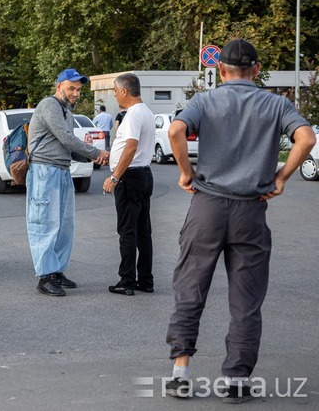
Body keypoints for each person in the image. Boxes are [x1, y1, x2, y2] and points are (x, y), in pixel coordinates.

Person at [164, 39, 316, 402]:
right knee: (246, 300)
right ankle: (236, 380)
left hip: (208, 206)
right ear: (257, 69)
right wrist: (282, 177)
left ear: (220, 70)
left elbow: (174, 131)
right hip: (250, 210)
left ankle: (181, 373)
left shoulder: (205, 101)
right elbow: (306, 138)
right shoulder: (277, 103)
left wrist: (187, 172)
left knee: (190, 287)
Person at [26, 68, 109, 297]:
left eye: (79, 90)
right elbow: (66, 138)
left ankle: (58, 271)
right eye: (71, 88)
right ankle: (45, 276)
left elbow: (67, 146)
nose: (75, 93)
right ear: (59, 86)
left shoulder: (66, 113)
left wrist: (100, 158)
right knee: (45, 224)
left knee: (64, 225)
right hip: (45, 170)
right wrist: (96, 153)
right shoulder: (49, 105)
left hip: (62, 170)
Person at [103, 73, 155, 297]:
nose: (115, 97)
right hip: (143, 175)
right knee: (143, 231)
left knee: (127, 231)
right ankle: (145, 280)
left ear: (125, 91)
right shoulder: (146, 111)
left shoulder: (133, 114)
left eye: (115, 92)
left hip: (130, 178)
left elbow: (131, 147)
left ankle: (127, 281)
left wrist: (114, 176)